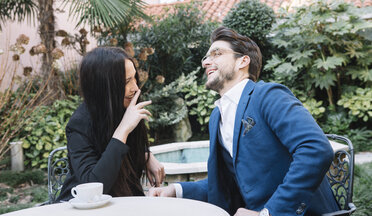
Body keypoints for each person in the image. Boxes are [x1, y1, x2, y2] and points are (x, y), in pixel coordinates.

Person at [149, 27, 339, 216]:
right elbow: (225, 183)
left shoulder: (267, 96)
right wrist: (176, 190)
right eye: (206, 57)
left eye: (217, 53)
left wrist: (269, 213)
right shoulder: (217, 116)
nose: (206, 62)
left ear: (243, 61)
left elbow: (315, 149)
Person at [57, 47, 165, 202]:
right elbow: (93, 185)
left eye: (135, 78)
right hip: (83, 208)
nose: (135, 88)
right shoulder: (79, 125)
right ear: (103, 86)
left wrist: (146, 155)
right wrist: (123, 129)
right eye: (127, 81)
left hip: (123, 204)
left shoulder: (124, 109)